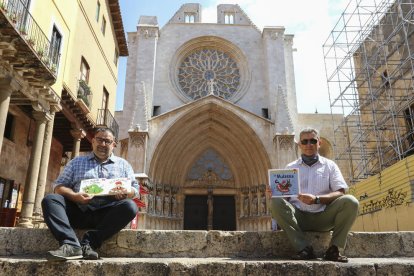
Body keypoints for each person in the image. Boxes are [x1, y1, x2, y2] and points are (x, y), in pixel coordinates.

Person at [41, 127, 139, 261]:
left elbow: (135, 190)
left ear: (114, 144)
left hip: (107, 217)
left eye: (107, 141)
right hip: (79, 212)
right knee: (50, 199)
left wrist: (126, 192)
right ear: (93, 141)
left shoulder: (124, 165)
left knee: (130, 206)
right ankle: (70, 244)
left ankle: (89, 243)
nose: (103, 144)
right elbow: (59, 186)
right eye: (99, 140)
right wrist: (75, 196)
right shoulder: (76, 162)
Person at [270, 127, 359, 262]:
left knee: (351, 201)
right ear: (299, 145)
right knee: (275, 201)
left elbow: (340, 191)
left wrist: (317, 200)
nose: (309, 145)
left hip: (324, 217)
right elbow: (284, 198)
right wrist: (274, 192)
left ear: (319, 143)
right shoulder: (290, 168)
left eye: (312, 140)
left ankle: (334, 250)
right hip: (299, 219)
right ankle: (303, 248)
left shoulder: (330, 166)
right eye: (305, 141)